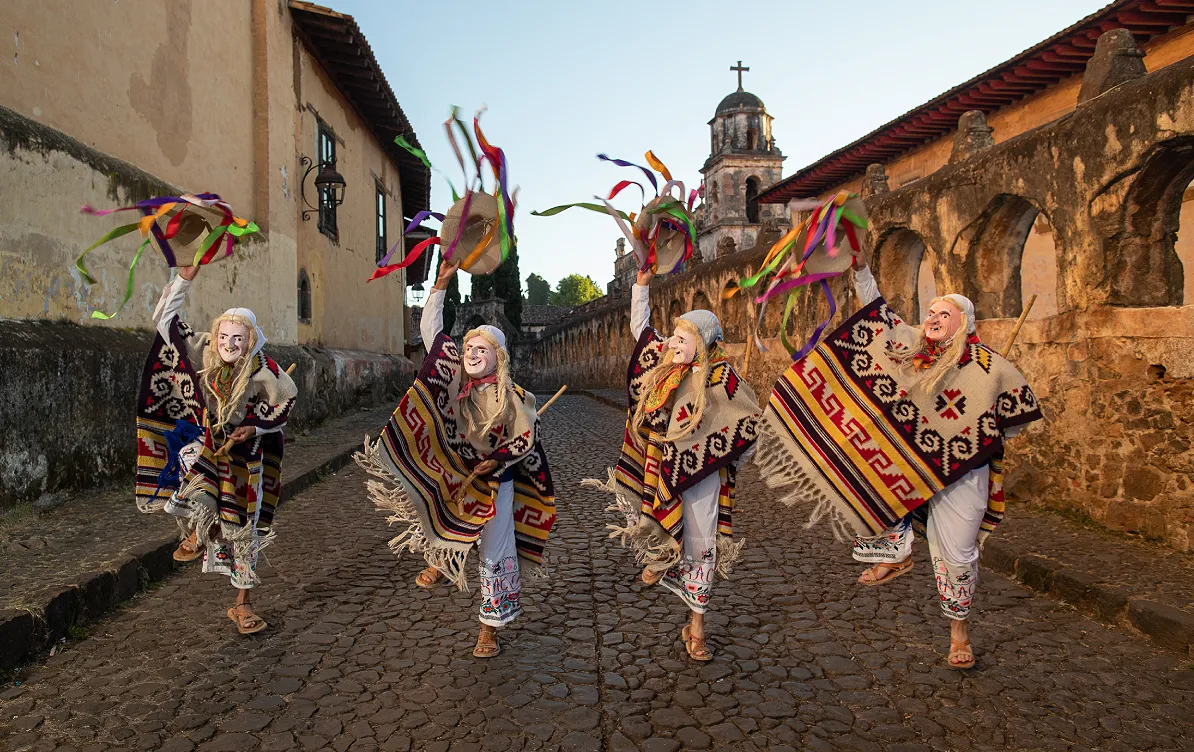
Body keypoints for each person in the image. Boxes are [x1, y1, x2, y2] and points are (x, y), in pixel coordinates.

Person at [754, 252, 1042, 669]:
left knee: (957, 555)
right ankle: (897, 552)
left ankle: (959, 630)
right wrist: (861, 269)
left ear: (965, 323)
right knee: (870, 466)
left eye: (946, 312)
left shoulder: (990, 368)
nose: (934, 316)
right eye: (931, 311)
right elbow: (878, 316)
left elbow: (1013, 423)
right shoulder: (912, 348)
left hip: (963, 473)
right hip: (912, 464)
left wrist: (978, 421)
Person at [357, 259, 556, 658]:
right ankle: (441, 557)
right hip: (456, 473)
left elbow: (525, 440)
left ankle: (489, 628)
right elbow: (433, 335)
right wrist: (441, 283)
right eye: (469, 347)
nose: (472, 354)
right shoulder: (453, 379)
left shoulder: (514, 398)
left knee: (495, 551)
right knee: (432, 500)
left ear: (498, 357)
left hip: (495, 483)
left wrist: (497, 459)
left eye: (481, 349)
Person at [588, 267, 759, 661]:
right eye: (673, 337)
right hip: (662, 471)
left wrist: (729, 457)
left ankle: (696, 627)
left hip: (703, 479)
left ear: (702, 343)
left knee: (702, 549)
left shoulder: (723, 380)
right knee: (655, 518)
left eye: (682, 338)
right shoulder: (664, 371)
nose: (672, 343)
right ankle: (660, 554)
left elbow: (748, 427)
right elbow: (640, 330)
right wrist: (642, 285)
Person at [136, 264, 296, 634]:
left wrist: (253, 426)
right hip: (208, 444)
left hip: (248, 459)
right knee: (191, 466)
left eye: (238, 340)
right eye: (225, 337)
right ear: (217, 333)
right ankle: (197, 529)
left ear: (250, 340)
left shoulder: (263, 368)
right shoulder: (204, 350)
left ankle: (242, 605)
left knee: (245, 530)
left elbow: (286, 401)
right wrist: (185, 278)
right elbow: (165, 321)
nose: (229, 345)